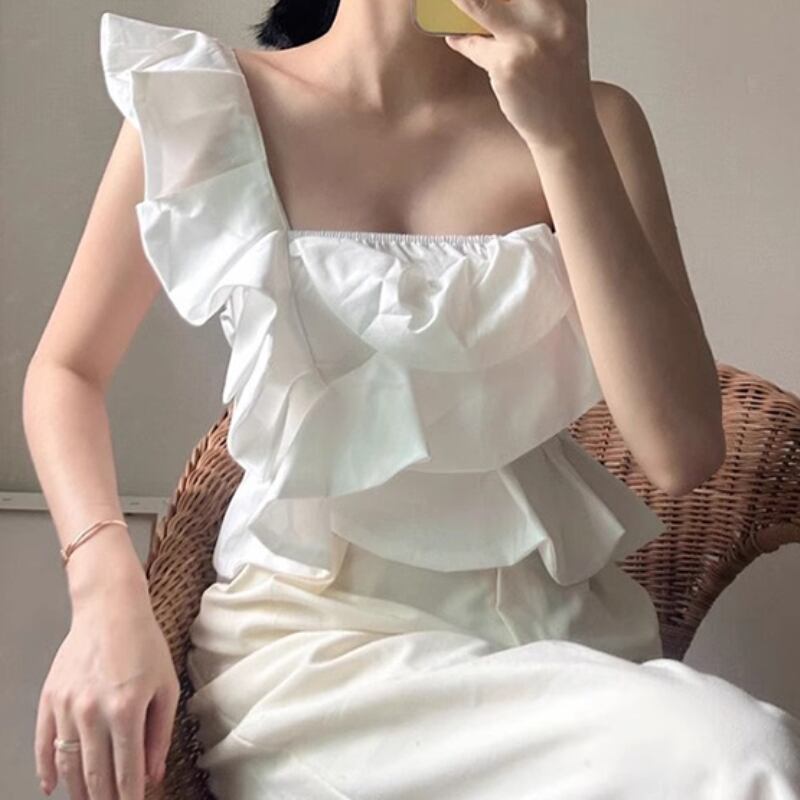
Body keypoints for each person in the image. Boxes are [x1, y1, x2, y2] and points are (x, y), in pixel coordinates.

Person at [25, 1, 800, 798]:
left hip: (559, 649)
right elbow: (66, 371)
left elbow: (680, 452)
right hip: (313, 659)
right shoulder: (206, 100)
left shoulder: (594, 119)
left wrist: (562, 129)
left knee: (746, 752)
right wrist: (104, 594)